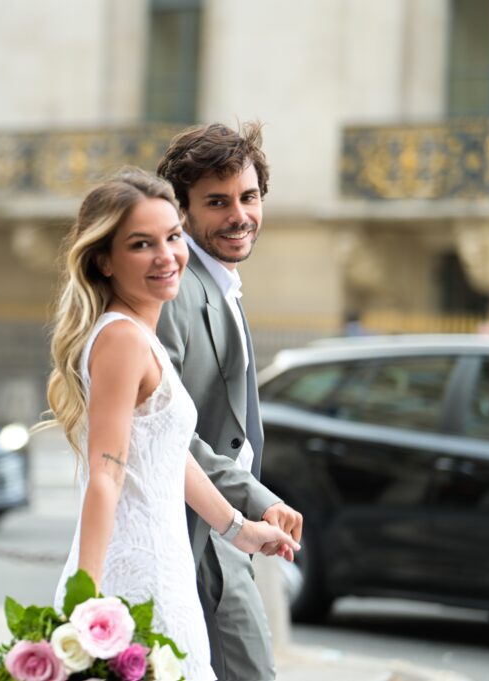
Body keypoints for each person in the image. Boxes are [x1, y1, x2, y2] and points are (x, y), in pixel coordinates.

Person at [47, 167, 300, 681]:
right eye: (142, 244)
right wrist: (85, 601)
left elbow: (168, 452)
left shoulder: (138, 333)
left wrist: (239, 530)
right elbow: (106, 473)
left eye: (172, 237)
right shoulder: (121, 339)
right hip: (139, 569)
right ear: (104, 260)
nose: (167, 256)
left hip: (166, 563)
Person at [155, 122, 304, 681]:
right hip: (197, 525)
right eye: (217, 203)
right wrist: (253, 501)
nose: (239, 215)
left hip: (226, 526)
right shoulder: (176, 287)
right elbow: (165, 426)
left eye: (249, 197)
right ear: (183, 210)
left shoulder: (218, 279)